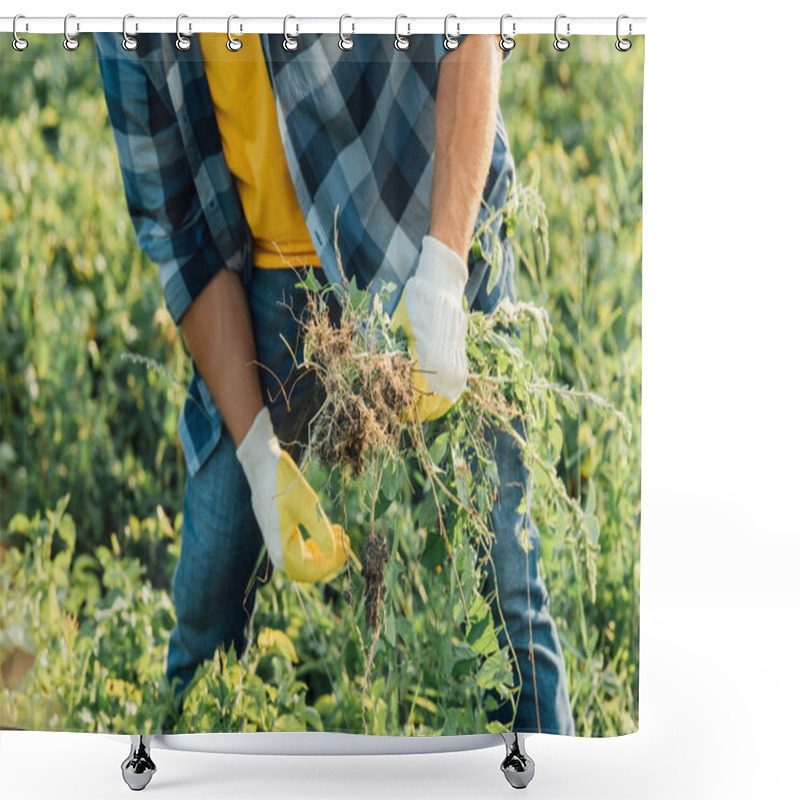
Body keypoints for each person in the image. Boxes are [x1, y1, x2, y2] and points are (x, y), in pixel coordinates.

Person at [94, 29, 574, 735]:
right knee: (210, 589)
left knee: (504, 576)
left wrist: (444, 267)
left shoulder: (438, 244)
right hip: (262, 281)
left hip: (423, 213)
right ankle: (183, 756)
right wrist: (261, 459)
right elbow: (178, 233)